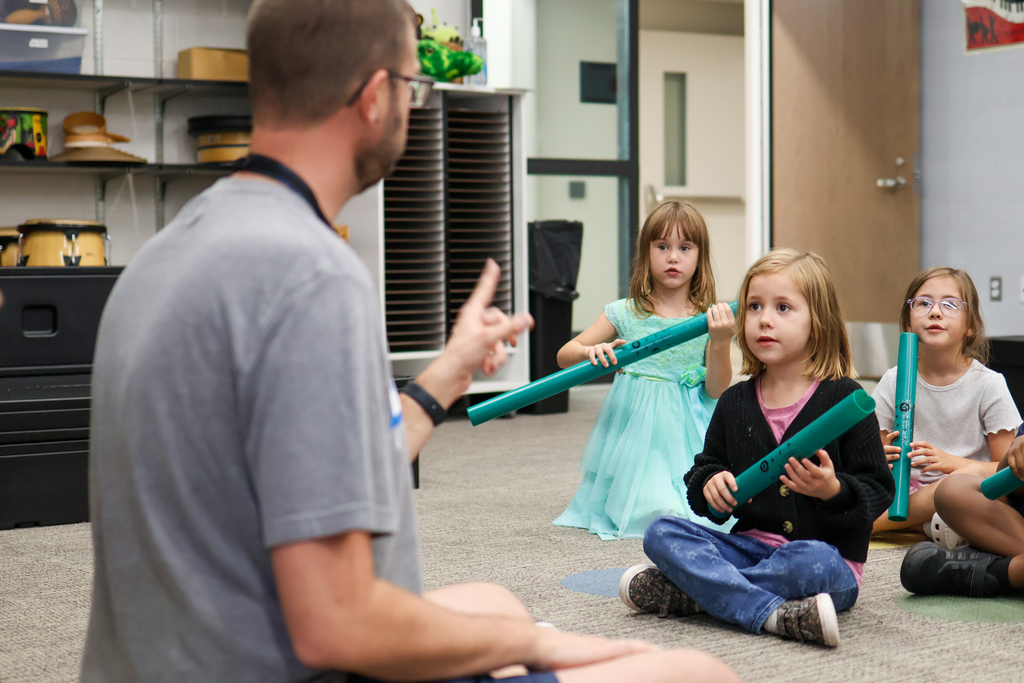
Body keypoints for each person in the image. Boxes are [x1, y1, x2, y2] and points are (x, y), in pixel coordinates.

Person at [78, 2, 737, 682]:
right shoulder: (311, 275)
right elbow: (336, 625)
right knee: (697, 671)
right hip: (286, 658)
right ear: (373, 97)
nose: (413, 108)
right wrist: (541, 646)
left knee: (498, 603)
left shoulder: (164, 252)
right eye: (414, 87)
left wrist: (441, 379)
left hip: (183, 646)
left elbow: (306, 474)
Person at [618, 249, 894, 647]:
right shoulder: (734, 403)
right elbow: (704, 471)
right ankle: (769, 613)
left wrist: (832, 491)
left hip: (825, 561)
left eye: (783, 307)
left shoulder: (845, 399)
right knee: (661, 532)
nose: (765, 318)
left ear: (819, 322)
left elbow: (878, 489)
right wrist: (710, 483)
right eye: (754, 306)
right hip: (747, 548)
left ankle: (699, 593)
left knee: (809, 562)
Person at [552, 201, 735, 540]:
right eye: (662, 246)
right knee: (655, 511)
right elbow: (565, 355)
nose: (673, 257)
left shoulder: (709, 318)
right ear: (646, 253)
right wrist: (591, 349)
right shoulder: (624, 312)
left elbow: (717, 389)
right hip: (636, 432)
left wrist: (721, 342)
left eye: (685, 247)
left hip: (688, 429)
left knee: (694, 509)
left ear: (700, 256)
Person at [870, 267, 1020, 545]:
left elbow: (1006, 469)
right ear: (907, 323)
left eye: (950, 304)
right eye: (923, 303)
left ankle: (871, 526)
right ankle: (922, 524)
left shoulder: (989, 384)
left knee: (963, 485)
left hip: (968, 488)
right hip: (905, 492)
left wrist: (953, 464)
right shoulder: (893, 380)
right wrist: (882, 455)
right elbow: (874, 461)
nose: (935, 312)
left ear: (970, 325)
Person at [901, 424, 1024, 598]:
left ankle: (993, 572)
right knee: (952, 490)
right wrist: (1016, 452)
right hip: (1017, 531)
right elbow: (1006, 483)